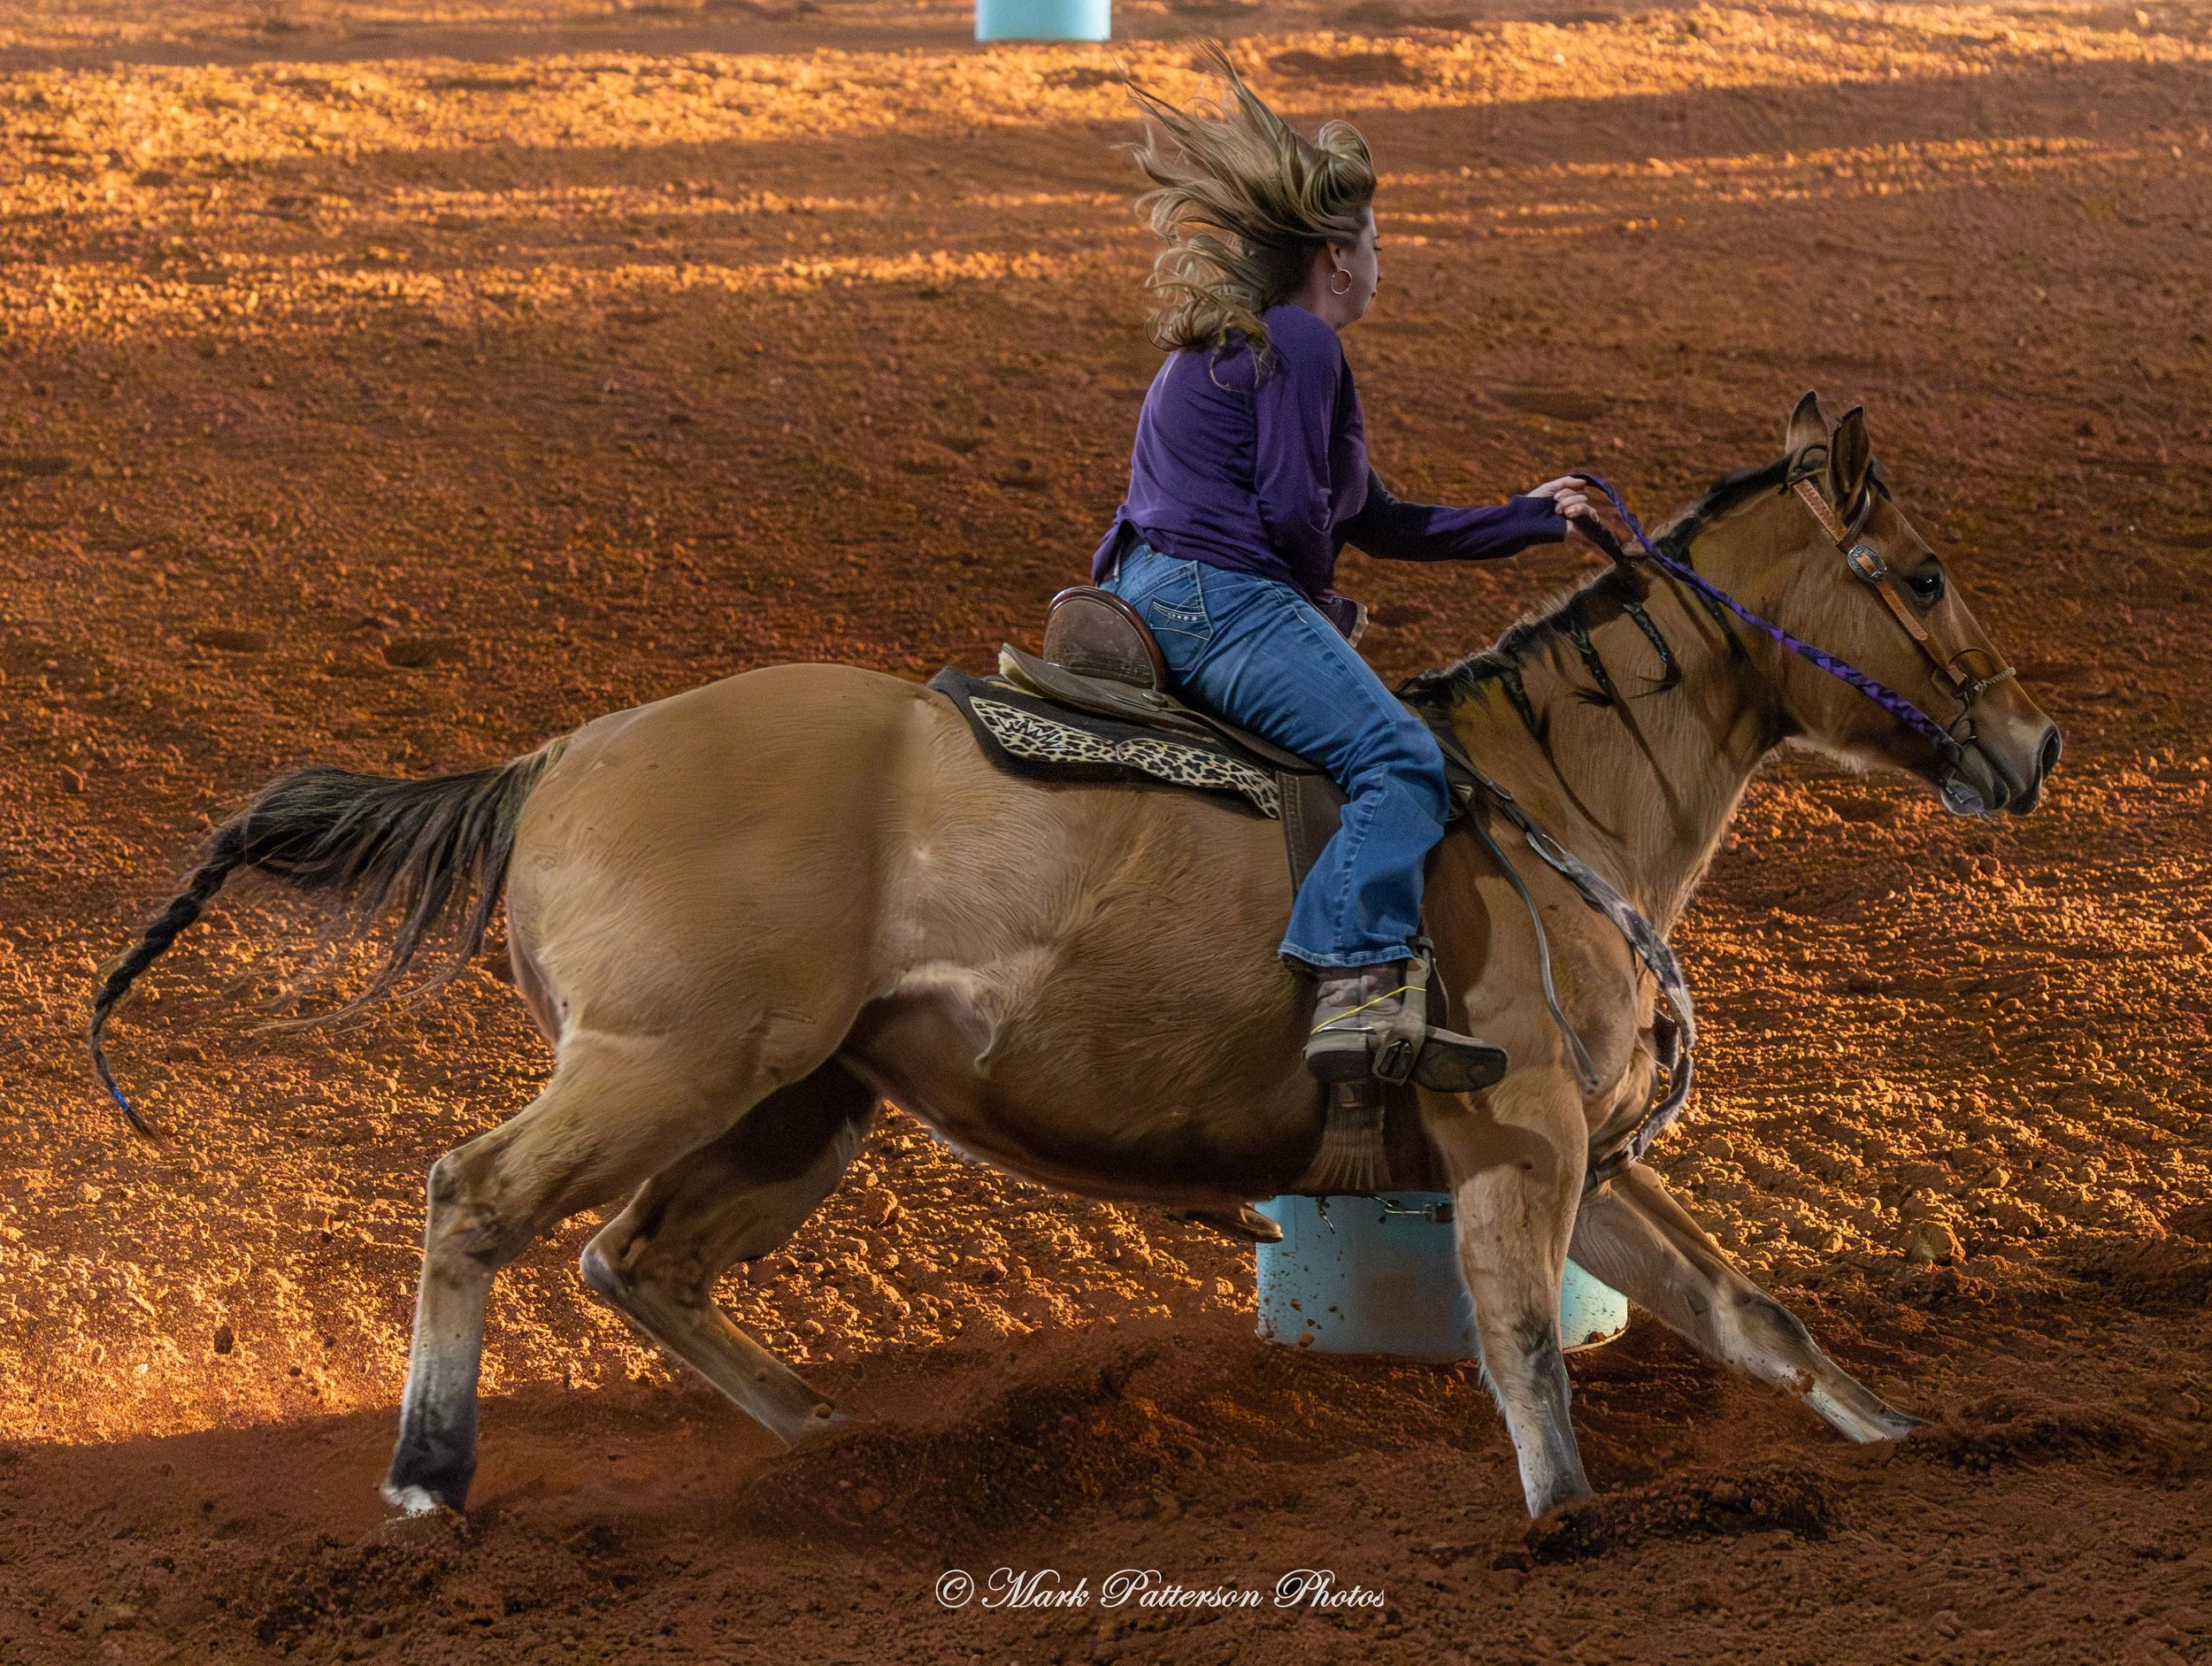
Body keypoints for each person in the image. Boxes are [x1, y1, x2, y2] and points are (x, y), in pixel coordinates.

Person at [1093, 48, 1601, 1090]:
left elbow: (1377, 517)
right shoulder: (1303, 341)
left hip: (1144, 589)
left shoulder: (1240, 341)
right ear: (1335, 254)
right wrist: (1318, 599)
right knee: (1402, 761)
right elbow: (1294, 508)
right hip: (1221, 597)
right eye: (1376, 241)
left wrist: (1531, 517)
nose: (1381, 261)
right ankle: (1356, 983)